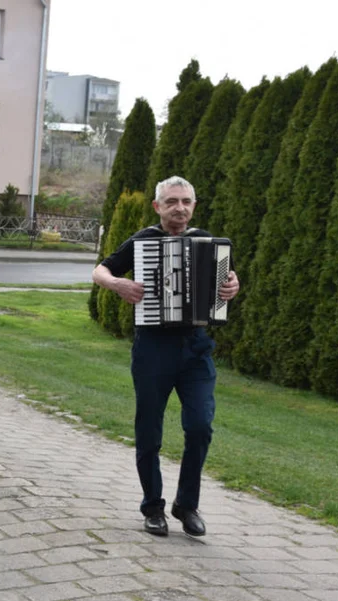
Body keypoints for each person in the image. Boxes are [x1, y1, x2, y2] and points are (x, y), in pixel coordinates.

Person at [91, 176, 239, 538]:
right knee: (149, 429)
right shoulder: (144, 240)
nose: (180, 208)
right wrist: (117, 284)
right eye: (172, 201)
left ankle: (186, 505)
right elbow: (101, 270)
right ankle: (152, 507)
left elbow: (226, 284)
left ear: (194, 206)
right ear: (158, 207)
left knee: (200, 426)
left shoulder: (206, 242)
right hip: (153, 347)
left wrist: (232, 286)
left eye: (186, 201)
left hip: (196, 348)